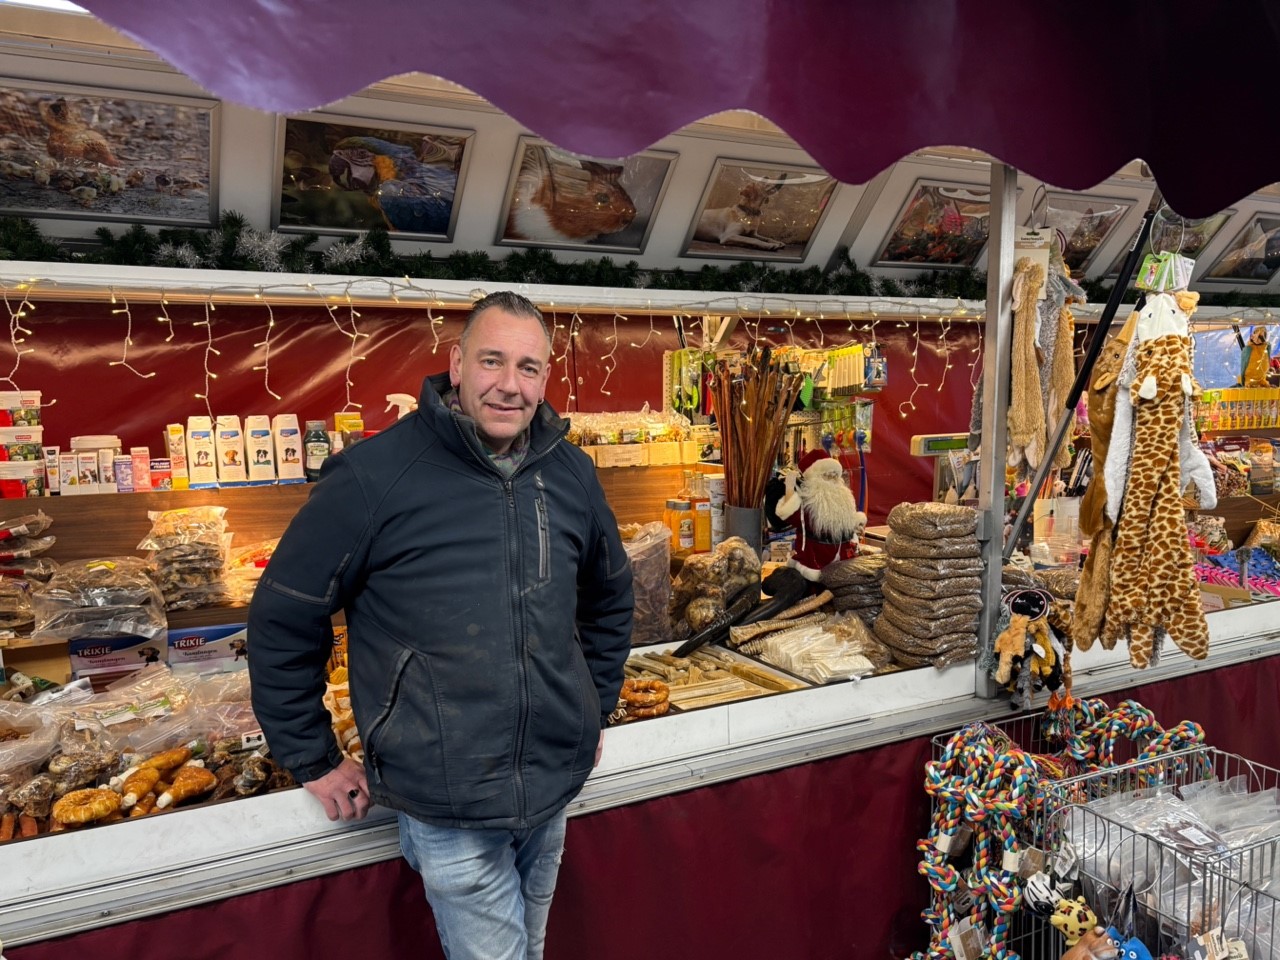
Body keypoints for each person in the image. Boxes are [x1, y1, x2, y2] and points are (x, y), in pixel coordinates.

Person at [247, 291, 634, 960]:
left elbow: (610, 596)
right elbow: (283, 616)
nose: (510, 386)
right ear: (456, 364)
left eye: (529, 368)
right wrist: (310, 755)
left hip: (550, 785)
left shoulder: (570, 473)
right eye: (492, 361)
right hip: (448, 799)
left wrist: (593, 707)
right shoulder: (374, 477)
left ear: (546, 377)